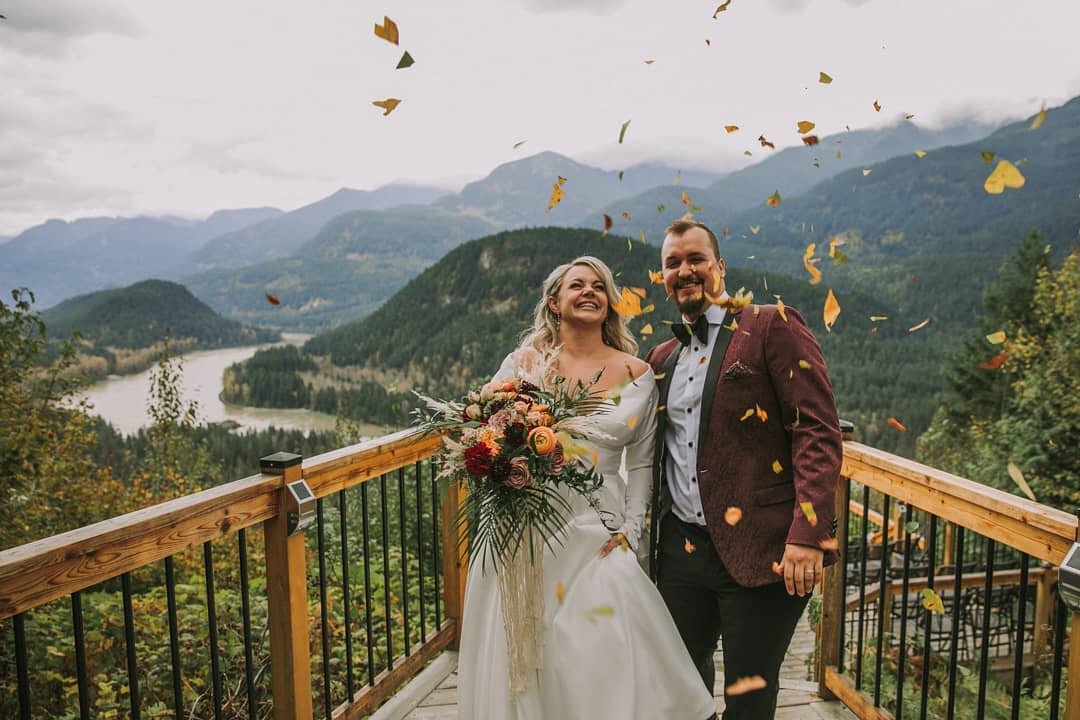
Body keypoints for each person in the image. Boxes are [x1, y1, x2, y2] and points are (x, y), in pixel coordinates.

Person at [457, 256, 717, 720]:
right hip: (525, 535)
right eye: (577, 285)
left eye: (599, 286)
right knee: (531, 656)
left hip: (599, 533)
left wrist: (632, 532)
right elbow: (484, 433)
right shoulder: (524, 364)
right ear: (554, 302)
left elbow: (640, 467)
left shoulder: (637, 374)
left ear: (610, 303)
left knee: (603, 650)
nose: (589, 292)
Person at [646, 220, 842, 720]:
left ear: (720, 267)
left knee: (749, 698)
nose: (685, 270)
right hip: (680, 552)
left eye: (696, 259)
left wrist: (808, 534)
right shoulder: (662, 357)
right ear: (663, 277)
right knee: (678, 690)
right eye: (673, 263)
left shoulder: (771, 324)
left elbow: (817, 430)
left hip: (764, 549)